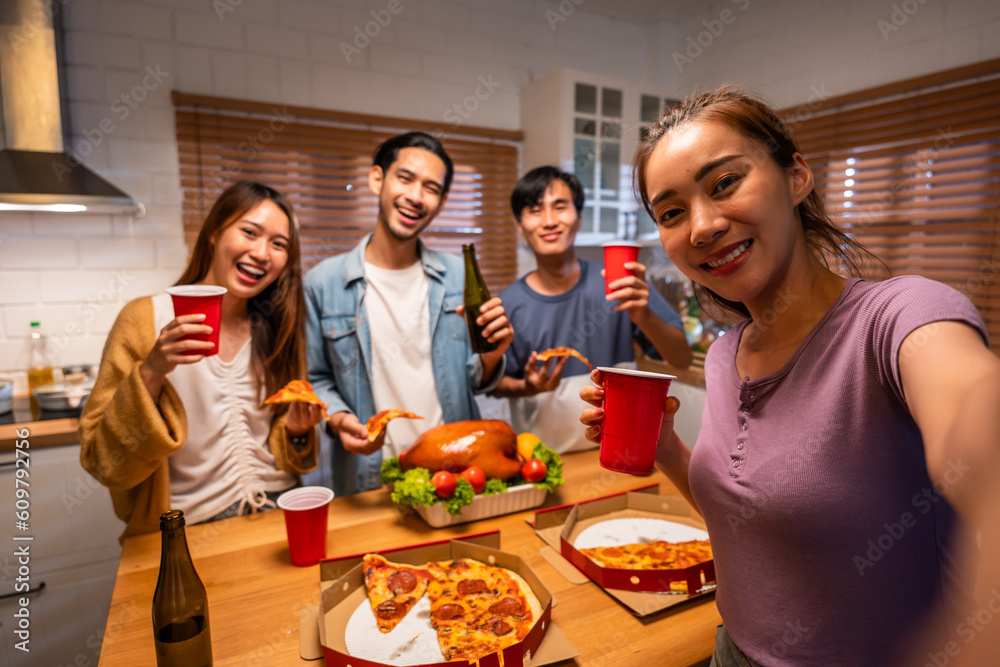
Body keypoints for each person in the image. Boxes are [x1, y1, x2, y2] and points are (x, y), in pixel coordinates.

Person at [579, 87, 1000, 666]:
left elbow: (979, 432)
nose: (701, 227)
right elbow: (754, 527)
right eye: (672, 212)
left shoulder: (900, 319)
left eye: (725, 183)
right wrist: (666, 450)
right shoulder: (727, 357)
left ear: (796, 176)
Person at [80, 181, 323, 541]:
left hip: (279, 512)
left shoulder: (276, 327)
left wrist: (297, 433)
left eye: (279, 244)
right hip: (187, 528)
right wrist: (151, 371)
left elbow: (281, 442)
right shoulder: (144, 319)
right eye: (249, 232)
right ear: (213, 232)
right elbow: (103, 462)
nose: (261, 252)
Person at [304, 131, 513, 496]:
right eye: (405, 178)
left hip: (455, 472)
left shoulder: (459, 276)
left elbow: (476, 378)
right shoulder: (322, 283)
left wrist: (493, 355)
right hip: (369, 479)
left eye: (431, 188)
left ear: (442, 201)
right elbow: (317, 379)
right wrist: (338, 419)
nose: (416, 197)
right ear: (377, 179)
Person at [492, 166, 691, 453]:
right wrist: (528, 387)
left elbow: (682, 358)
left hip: (619, 452)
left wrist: (643, 315)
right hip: (543, 465)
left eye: (560, 206)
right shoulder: (508, 304)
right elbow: (496, 384)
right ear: (520, 227)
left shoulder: (619, 284)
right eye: (535, 210)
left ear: (578, 218)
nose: (549, 220)